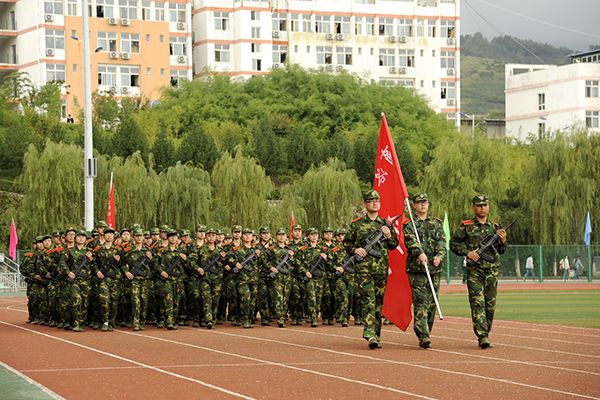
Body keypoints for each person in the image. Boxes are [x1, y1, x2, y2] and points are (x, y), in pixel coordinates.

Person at [450, 194, 507, 349]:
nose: (483, 208)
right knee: (478, 303)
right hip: (475, 271)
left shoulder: (495, 227)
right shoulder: (466, 226)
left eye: (485, 205)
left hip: (492, 271)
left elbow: (501, 251)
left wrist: (503, 241)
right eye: (479, 205)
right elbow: (453, 243)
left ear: (488, 207)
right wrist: (468, 253)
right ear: (474, 207)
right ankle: (482, 336)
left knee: (490, 306)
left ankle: (486, 332)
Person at [343, 190, 399, 350]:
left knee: (379, 303)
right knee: (368, 300)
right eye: (371, 200)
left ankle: (376, 336)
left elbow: (394, 246)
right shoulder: (356, 224)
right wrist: (355, 249)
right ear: (365, 204)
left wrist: (389, 236)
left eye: (377, 200)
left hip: (381, 269)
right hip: (363, 269)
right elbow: (346, 243)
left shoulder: (385, 224)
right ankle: (370, 334)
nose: (375, 203)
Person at [403, 193, 446, 349]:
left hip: (434, 270)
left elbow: (442, 241)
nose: (422, 204)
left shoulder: (436, 223)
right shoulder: (409, 224)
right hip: (417, 269)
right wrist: (420, 253)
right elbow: (411, 241)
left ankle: (427, 330)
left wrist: (439, 256)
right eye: (419, 202)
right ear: (414, 205)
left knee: (432, 303)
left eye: (425, 202)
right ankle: (423, 335)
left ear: (428, 204)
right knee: (420, 301)